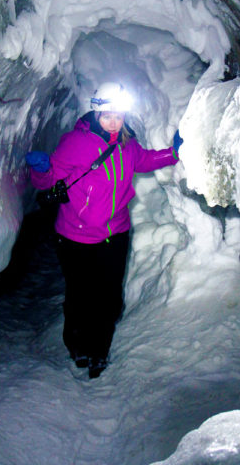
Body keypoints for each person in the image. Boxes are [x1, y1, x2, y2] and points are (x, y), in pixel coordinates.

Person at [26, 82, 183, 378]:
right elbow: (47, 181)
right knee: (80, 295)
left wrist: (172, 154)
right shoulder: (76, 142)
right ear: (96, 113)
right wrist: (41, 169)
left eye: (118, 116)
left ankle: (99, 350)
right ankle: (78, 347)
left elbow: (144, 160)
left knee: (108, 297)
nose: (113, 122)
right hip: (75, 236)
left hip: (115, 235)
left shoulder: (127, 142)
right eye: (107, 115)